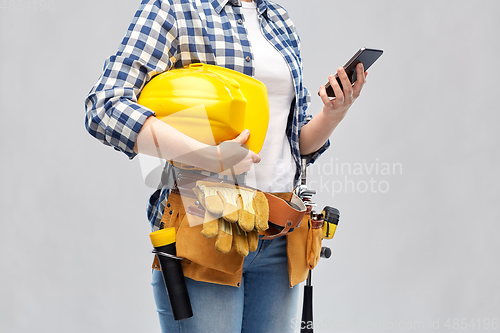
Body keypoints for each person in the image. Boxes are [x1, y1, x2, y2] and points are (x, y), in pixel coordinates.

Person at [84, 0, 367, 332]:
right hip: (207, 227)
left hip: (279, 231)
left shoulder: (277, 18)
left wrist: (334, 113)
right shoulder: (174, 8)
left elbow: (296, 143)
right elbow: (105, 106)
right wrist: (206, 156)